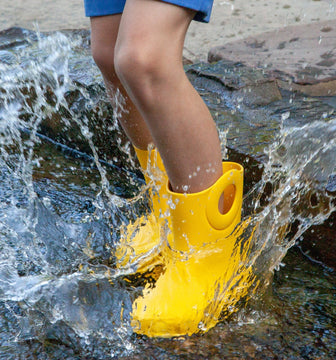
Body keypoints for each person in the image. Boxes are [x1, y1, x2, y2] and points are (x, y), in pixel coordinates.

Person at [84, 0, 248, 338]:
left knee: (144, 58)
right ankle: (170, 217)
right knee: (109, 52)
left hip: (207, 261)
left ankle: (207, 258)